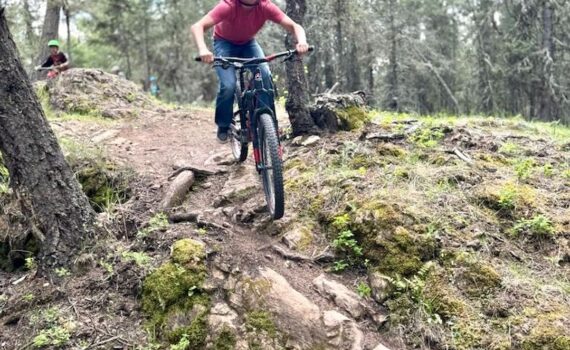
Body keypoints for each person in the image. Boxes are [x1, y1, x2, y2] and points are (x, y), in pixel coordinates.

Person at [191, 0, 310, 143]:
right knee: (228, 85)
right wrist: (203, 49)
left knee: (264, 74)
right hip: (224, 43)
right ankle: (223, 125)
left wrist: (302, 41)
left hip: (248, 43)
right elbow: (198, 26)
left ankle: (266, 121)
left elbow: (294, 26)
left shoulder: (265, 6)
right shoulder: (228, 5)